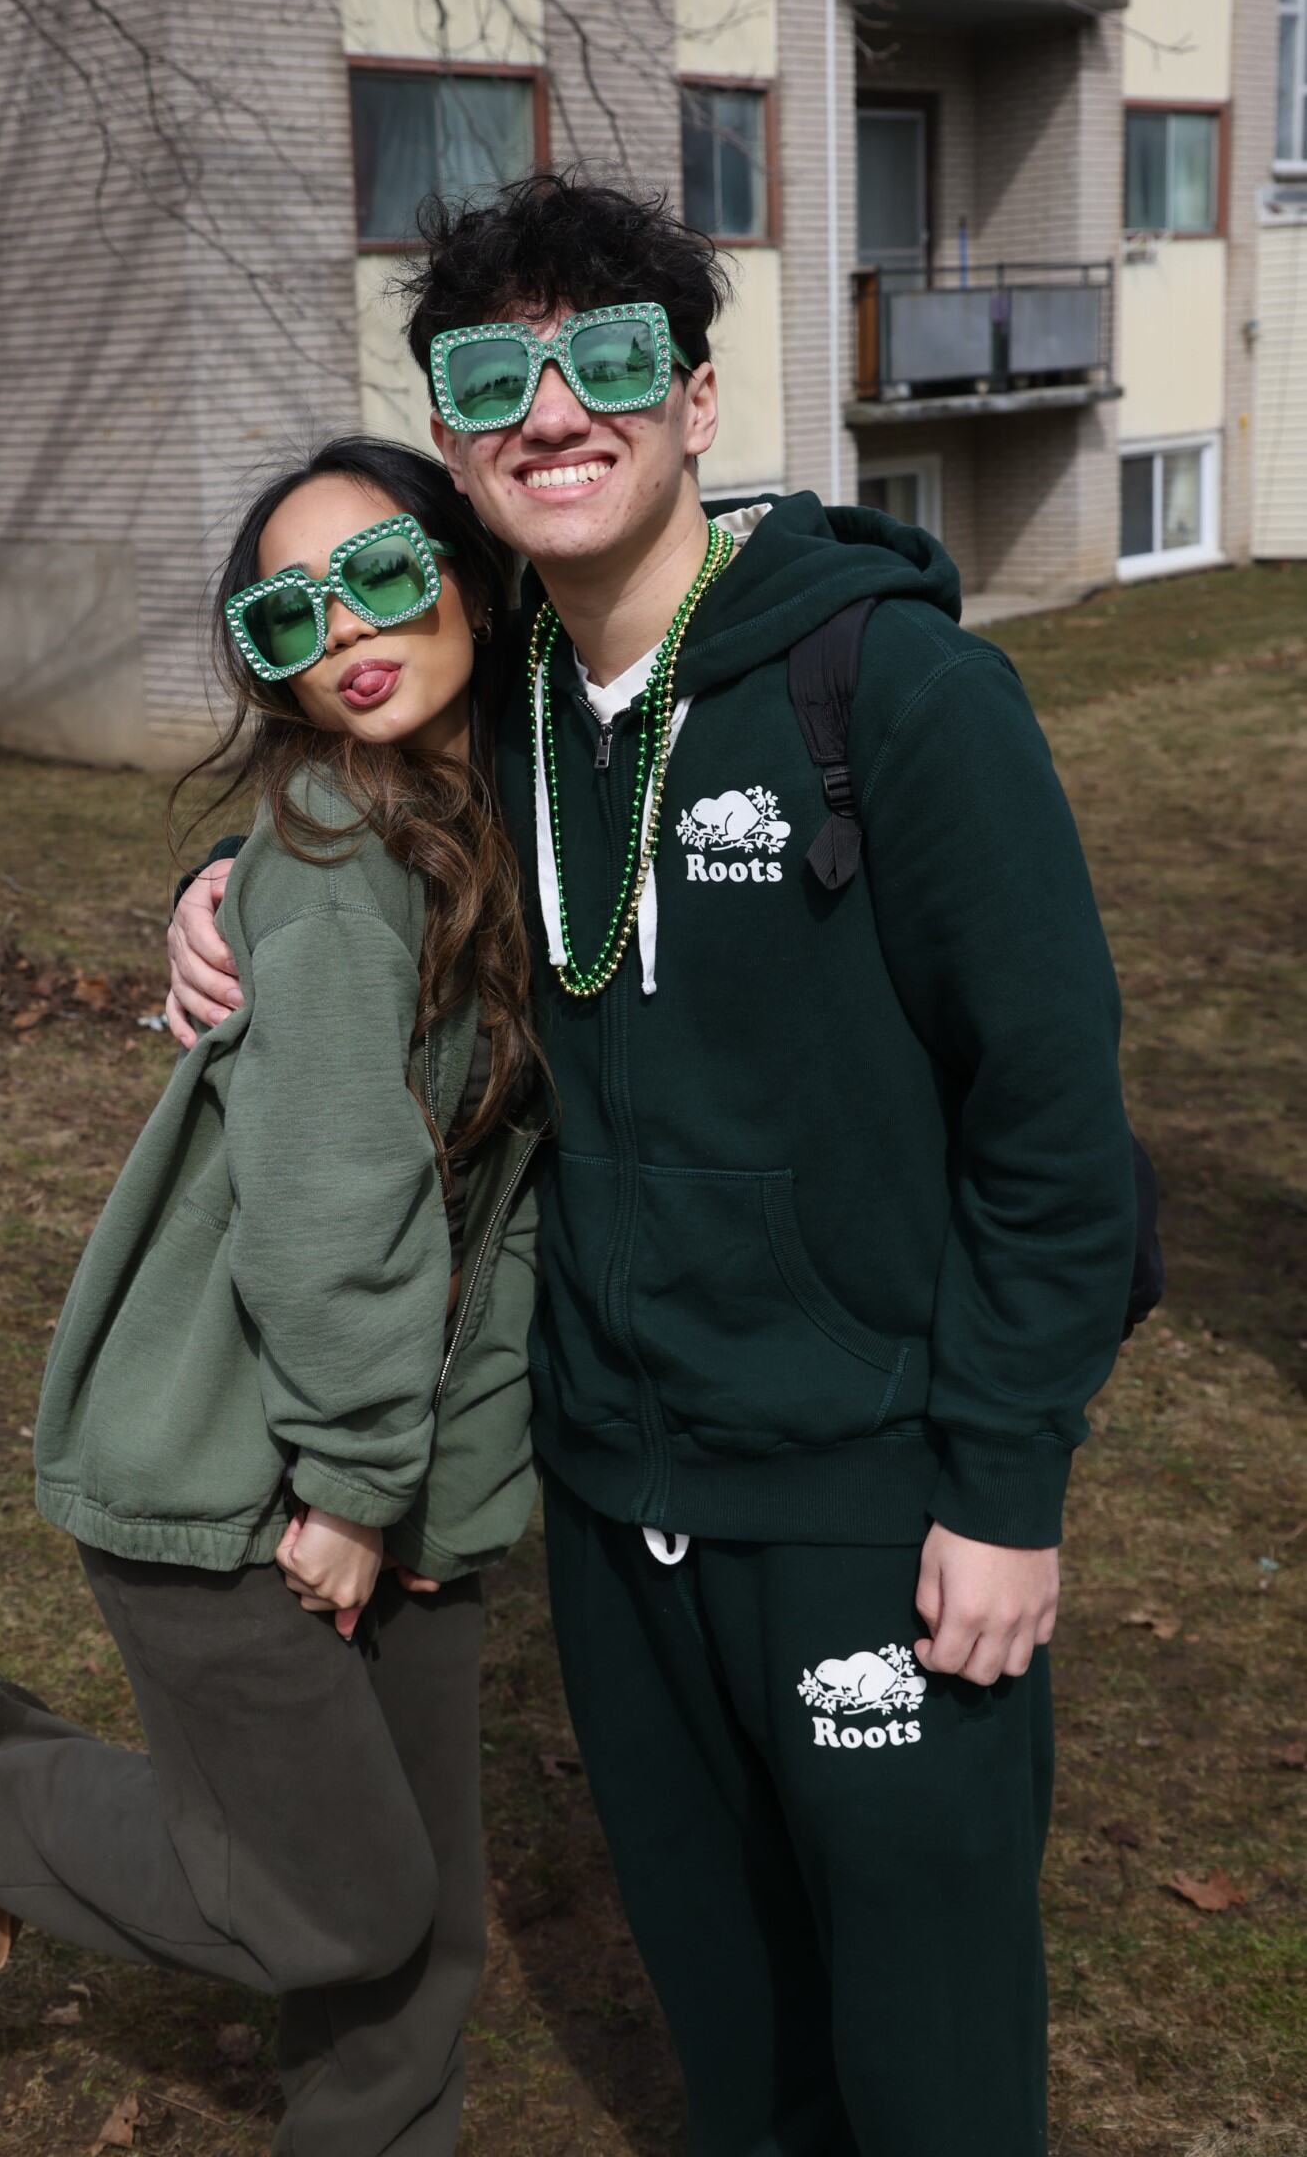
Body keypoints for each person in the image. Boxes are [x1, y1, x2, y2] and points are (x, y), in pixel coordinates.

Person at [167, 173, 1137, 2157]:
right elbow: (347, 809)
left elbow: (1053, 1131)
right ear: (452, 443)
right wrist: (208, 889)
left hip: (876, 1508)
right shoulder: (502, 709)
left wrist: (1002, 1486)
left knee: (933, 2068)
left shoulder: (899, 697)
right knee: (737, 2052)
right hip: (617, 1512)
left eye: (605, 358)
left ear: (694, 399)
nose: (551, 411)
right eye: (489, 378)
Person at [0, 437, 546, 2157]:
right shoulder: (340, 852)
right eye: (289, 615)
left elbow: (500, 1203)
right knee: (332, 1904)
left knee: (423, 1930)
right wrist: (358, 1486)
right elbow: (336, 1211)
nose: (347, 633)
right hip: (237, 1478)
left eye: (384, 574)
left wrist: (443, 1487)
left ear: (474, 579)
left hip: (397, 1460)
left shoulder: (514, 815)